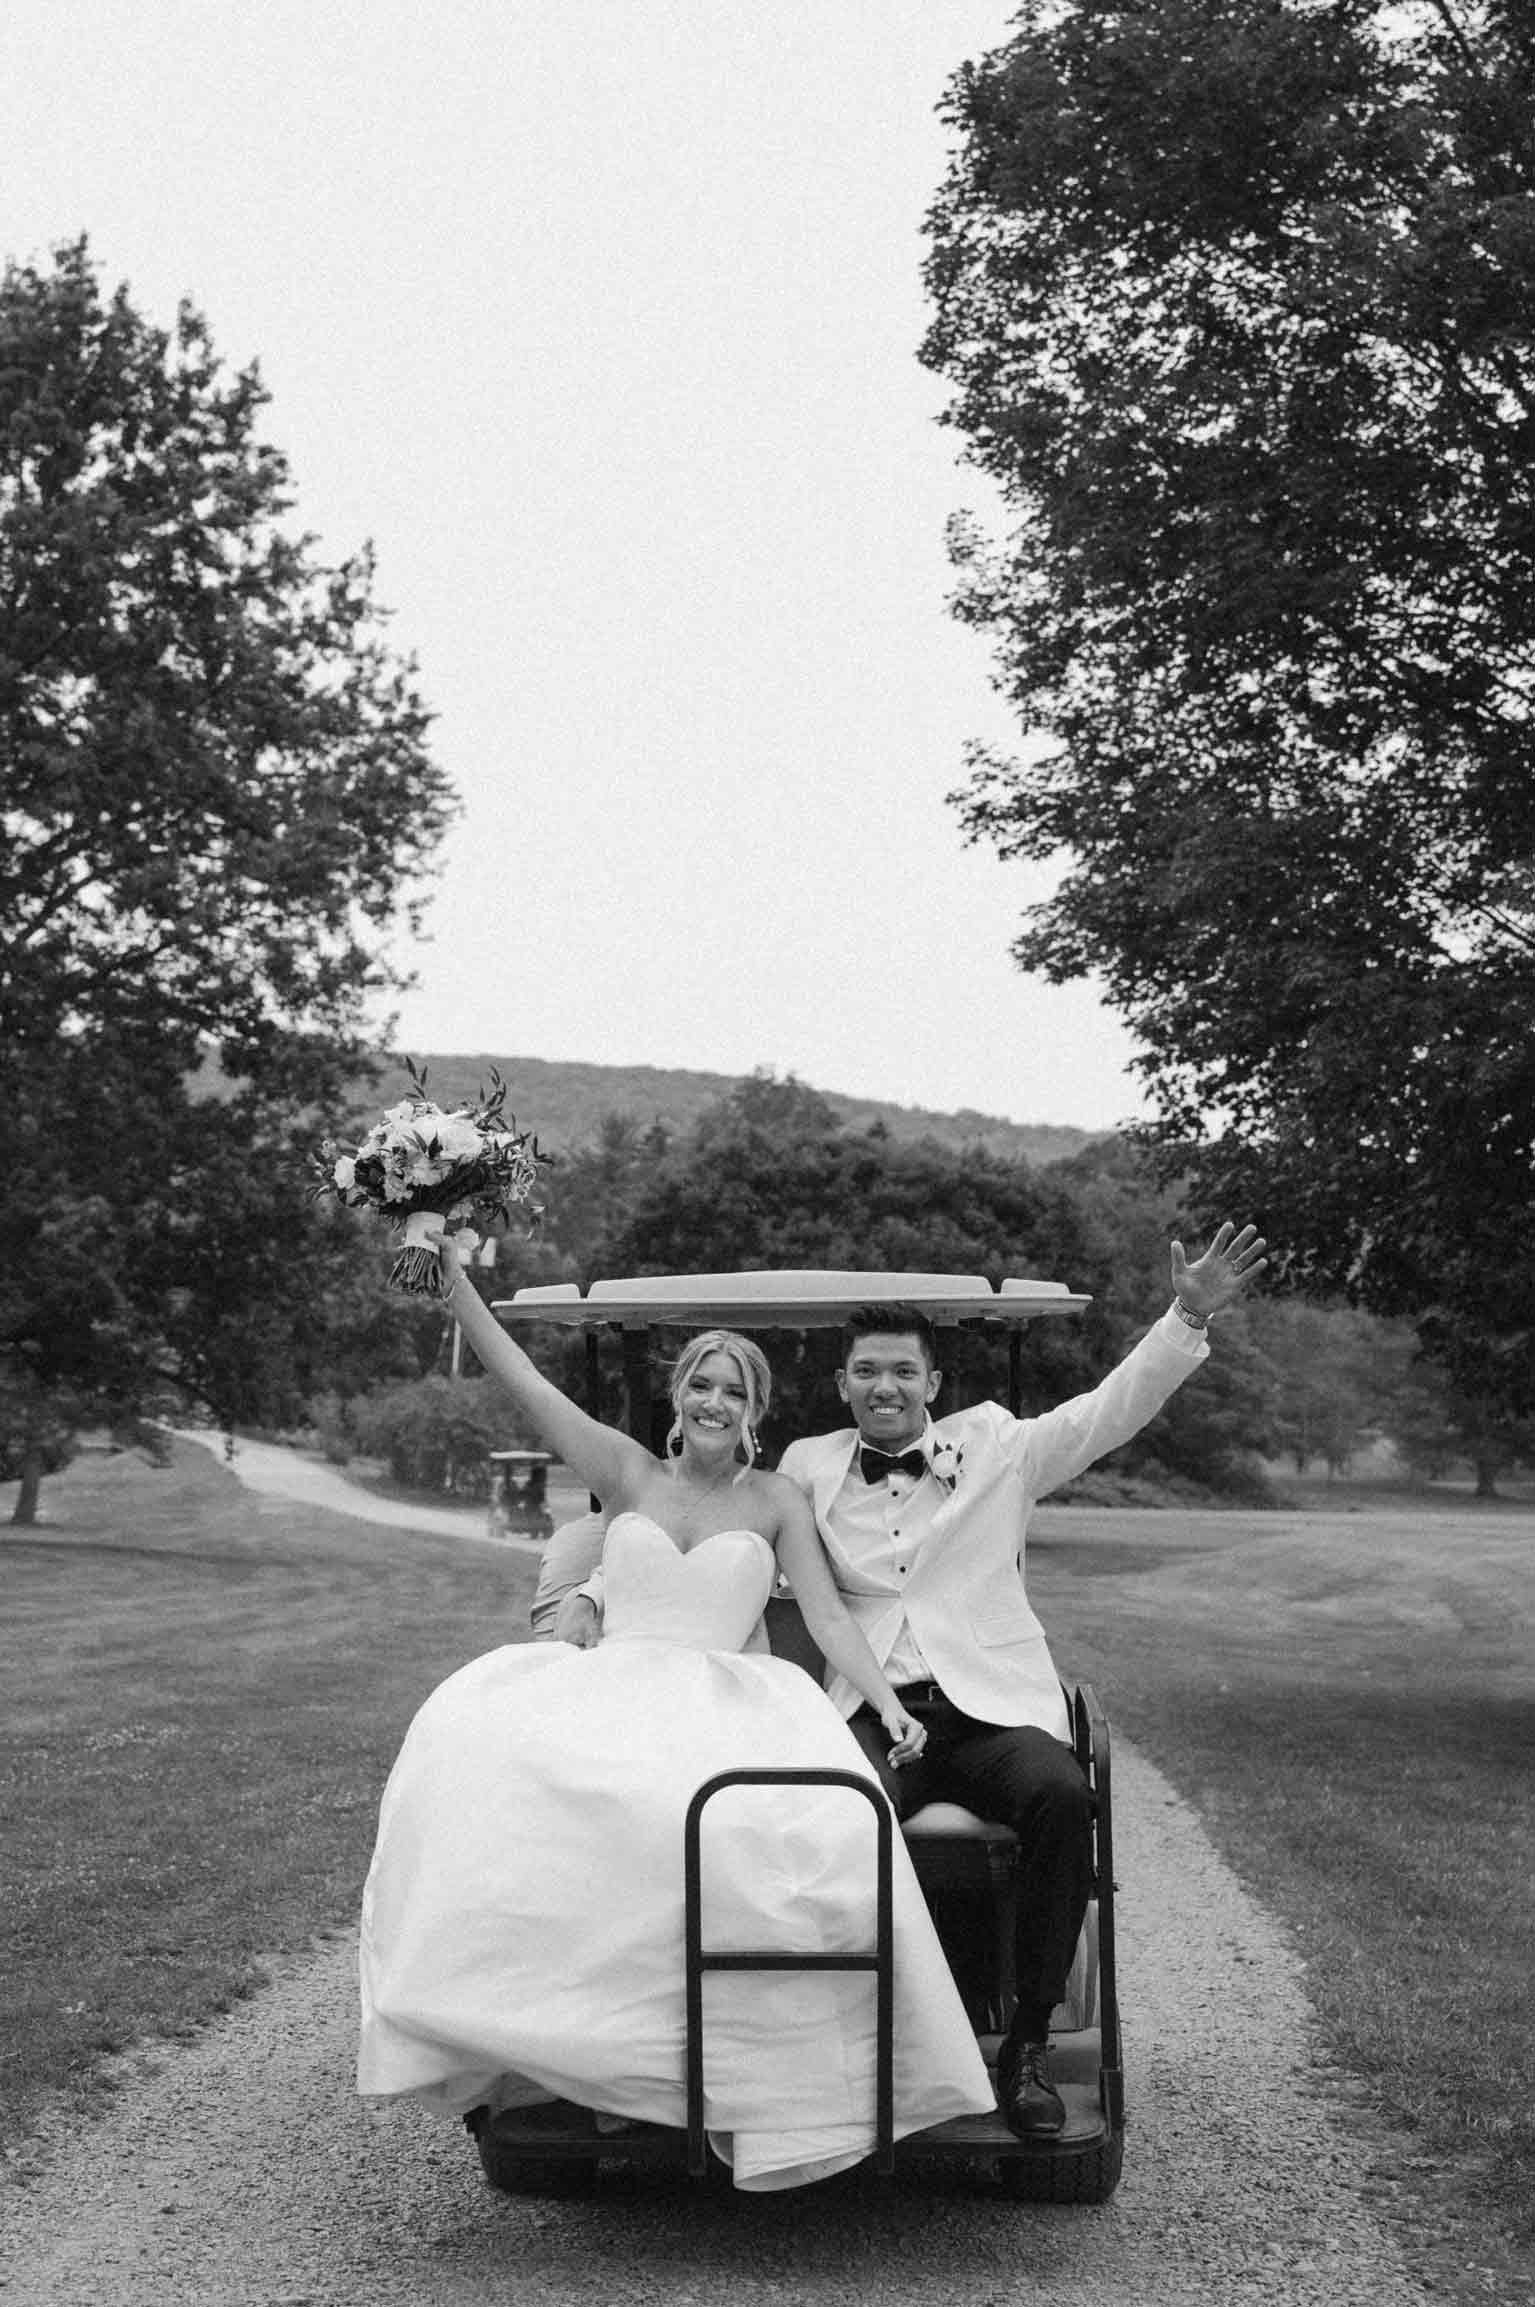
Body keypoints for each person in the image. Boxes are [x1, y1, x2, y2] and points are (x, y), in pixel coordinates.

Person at [356, 1236, 996, 2191]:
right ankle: (571, 2051)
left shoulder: (777, 1498)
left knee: (775, 1830)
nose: (711, 1402)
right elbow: (523, 1379)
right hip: (616, 1685)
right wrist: (454, 1280)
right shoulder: (627, 1473)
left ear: (755, 1411)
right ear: (678, 1396)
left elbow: (822, 1613)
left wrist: (889, 1702)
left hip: (728, 1699)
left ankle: (764, 2068)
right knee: (509, 1776)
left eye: (732, 1390)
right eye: (700, 1382)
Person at [772, 1222, 1268, 2140]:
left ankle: (1028, 2043)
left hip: (991, 1707)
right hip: (881, 1711)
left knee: (1058, 1796)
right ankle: (843, 2038)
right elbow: (729, 1539)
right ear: (841, 1384)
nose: (886, 1386)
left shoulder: (997, 1445)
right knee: (824, 1816)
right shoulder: (805, 1467)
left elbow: (1105, 1411)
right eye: (867, 1371)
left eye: (903, 1371)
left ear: (933, 1384)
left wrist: (1186, 1313)